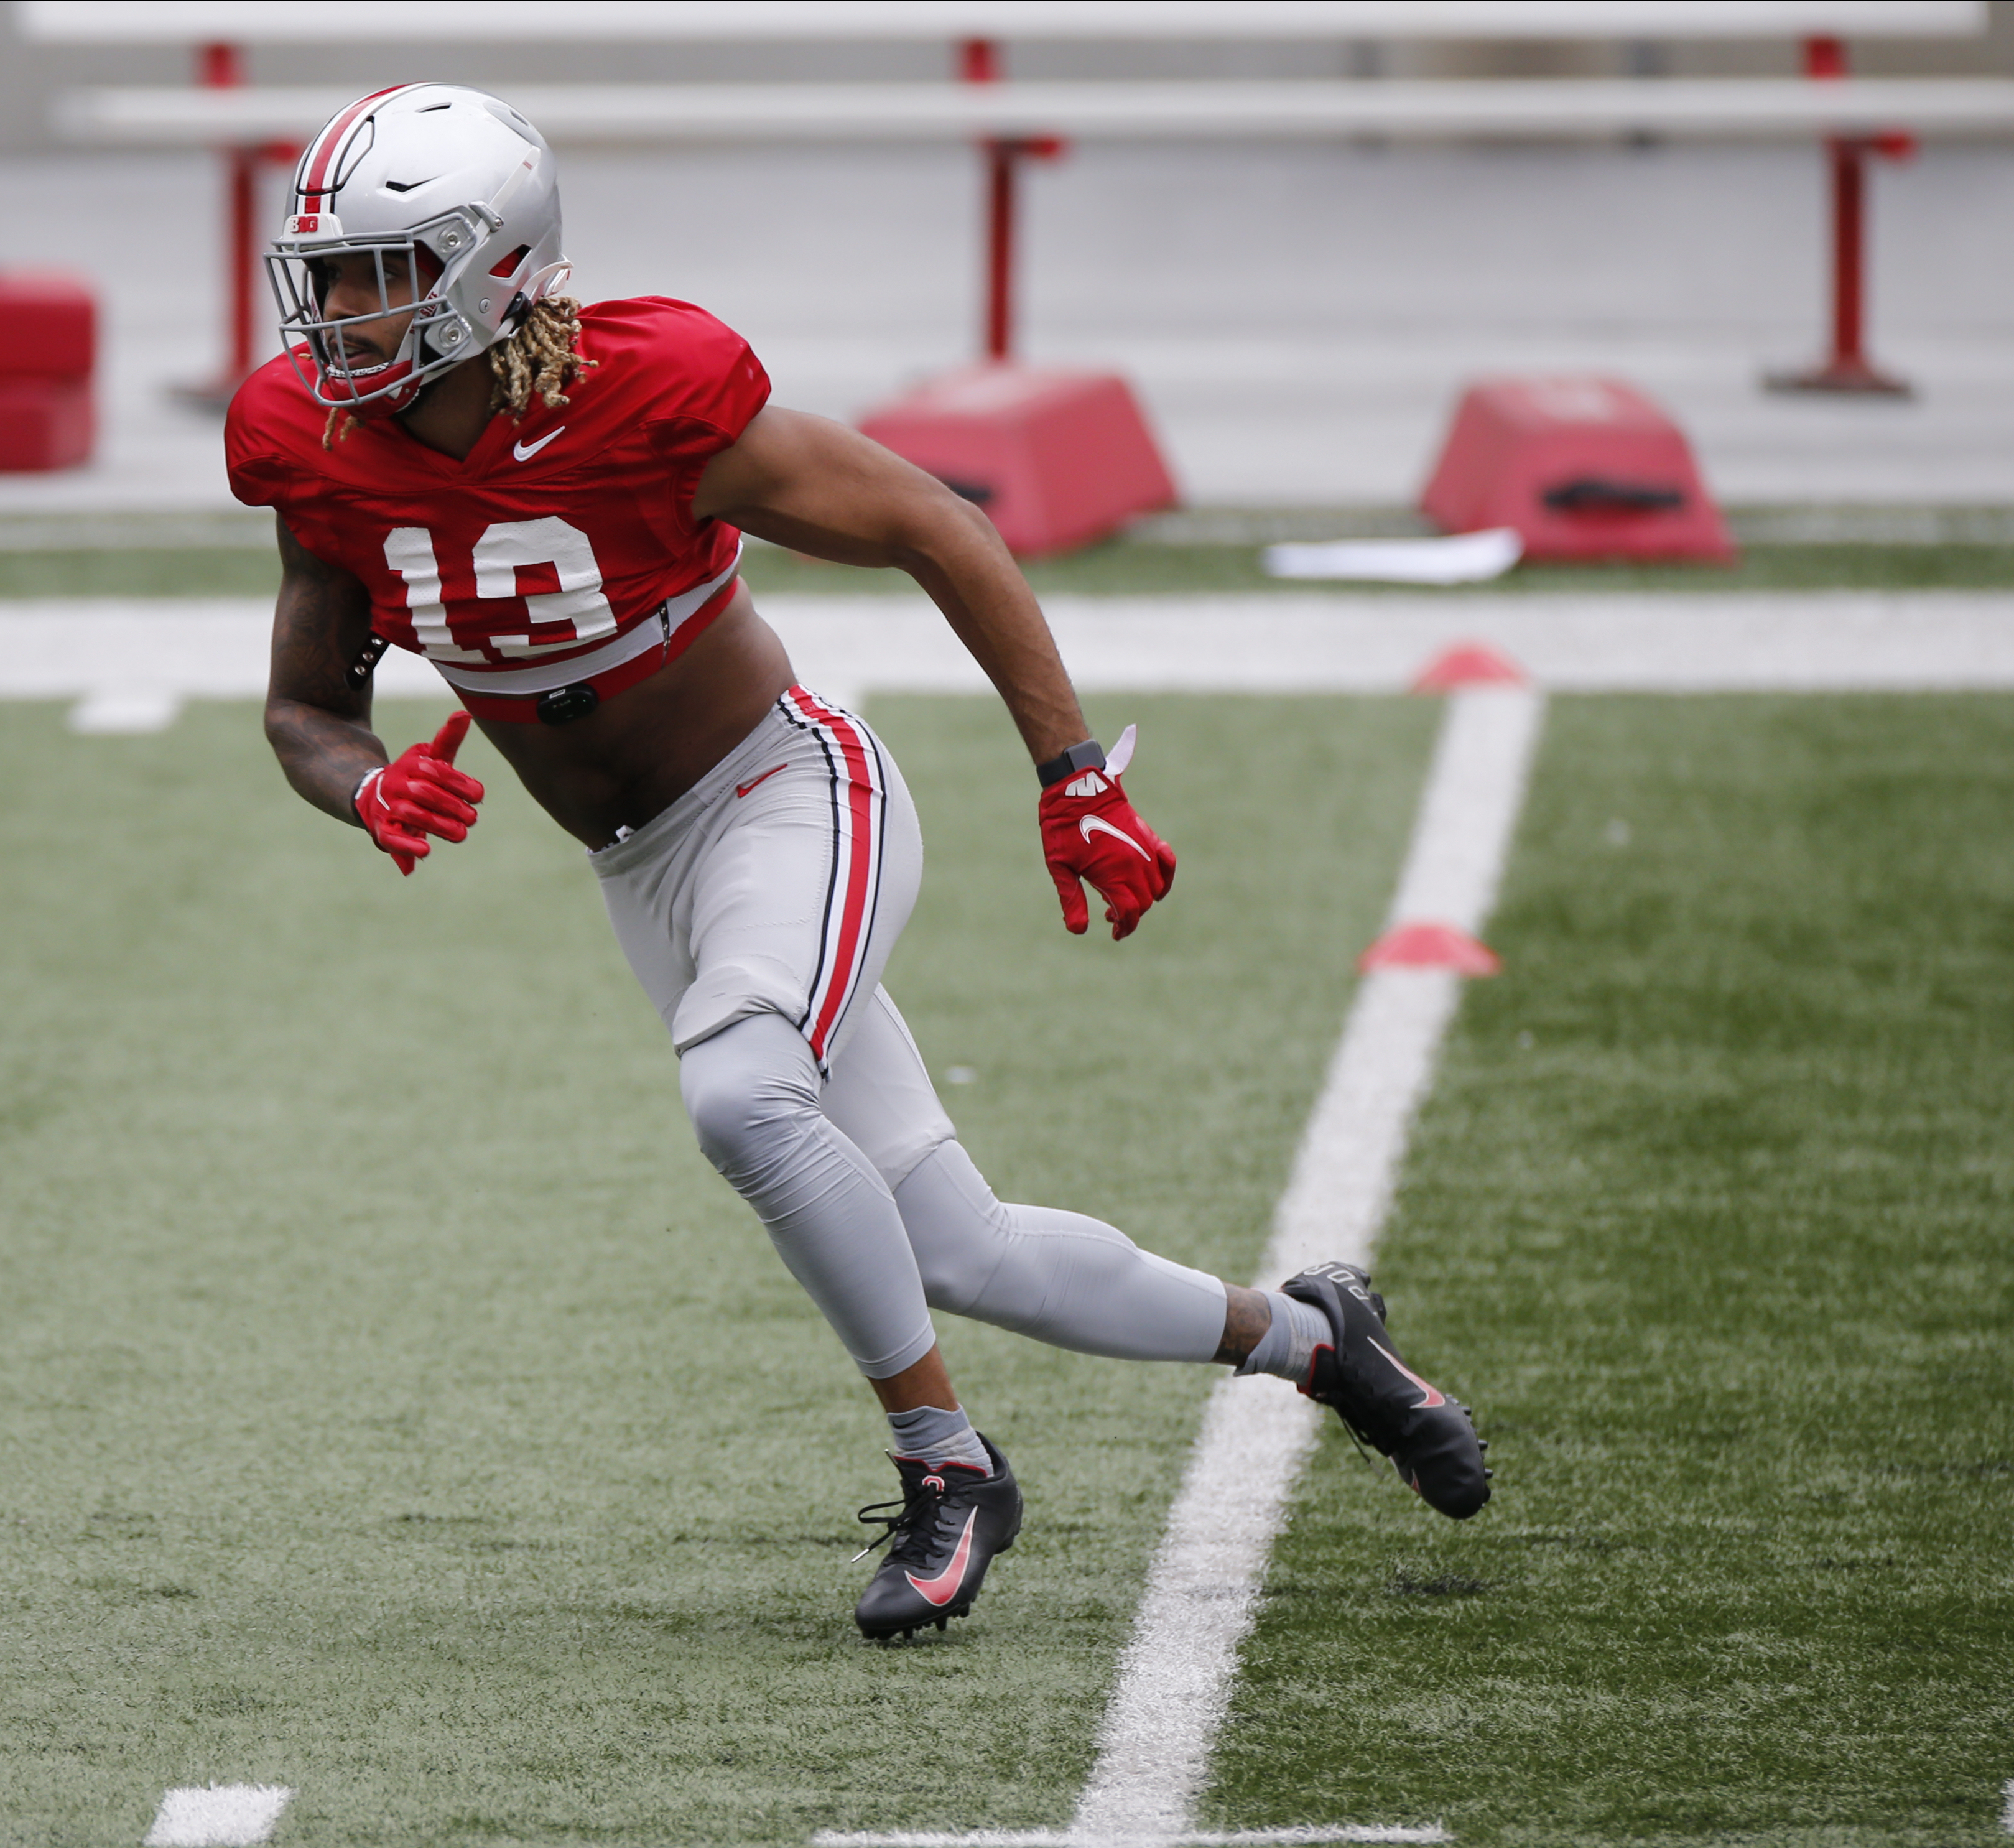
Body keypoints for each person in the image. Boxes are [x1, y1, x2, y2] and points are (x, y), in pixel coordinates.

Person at [228, 84, 1488, 1641]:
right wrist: (363, 789)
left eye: (379, 271)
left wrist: (1069, 774)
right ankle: (1309, 1338)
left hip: (784, 796)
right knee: (962, 1249)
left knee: (740, 1093)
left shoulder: (647, 391)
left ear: (492, 268)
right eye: (329, 273)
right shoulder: (310, 441)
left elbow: (932, 526)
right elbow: (305, 704)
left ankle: (947, 1468)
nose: (338, 312)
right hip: (645, 873)